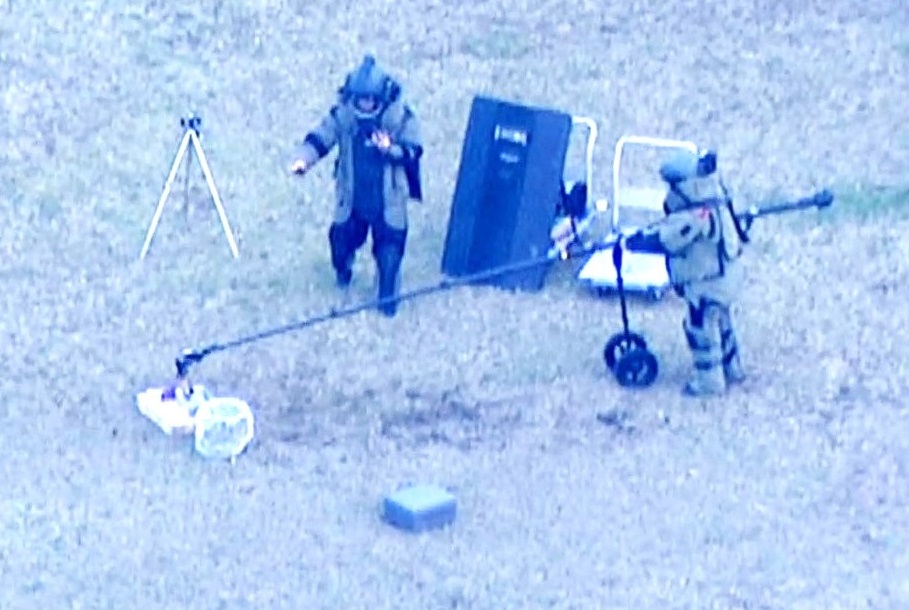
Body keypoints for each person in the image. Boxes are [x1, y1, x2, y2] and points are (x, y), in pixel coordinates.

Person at [289, 54, 423, 317]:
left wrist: (390, 149)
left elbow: (414, 150)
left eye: (370, 99)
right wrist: (304, 159)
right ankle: (345, 268)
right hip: (353, 201)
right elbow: (321, 137)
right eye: (360, 99)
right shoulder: (344, 116)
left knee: (389, 259)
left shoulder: (400, 118)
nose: (365, 104)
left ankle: (387, 295)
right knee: (340, 247)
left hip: (389, 203)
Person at [622, 148, 747, 397]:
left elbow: (667, 240)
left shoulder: (693, 215)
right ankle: (733, 368)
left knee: (701, 332)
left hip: (707, 286)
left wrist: (636, 243)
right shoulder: (717, 197)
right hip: (727, 277)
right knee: (722, 324)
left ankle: (709, 384)